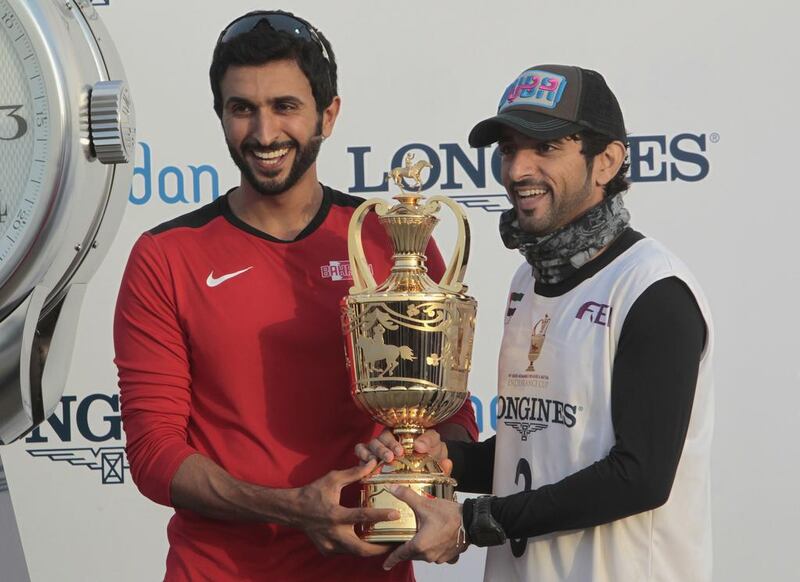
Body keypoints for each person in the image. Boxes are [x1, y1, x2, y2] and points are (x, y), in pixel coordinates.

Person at [113, 11, 477, 582]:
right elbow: (155, 454)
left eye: (285, 106)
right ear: (220, 115)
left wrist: (429, 447)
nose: (263, 134)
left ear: (327, 114)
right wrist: (290, 507)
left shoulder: (395, 243)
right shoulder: (166, 256)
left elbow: (453, 414)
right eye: (242, 109)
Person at [357, 64, 714, 581]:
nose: (517, 169)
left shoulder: (652, 289)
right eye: (508, 149)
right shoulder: (526, 280)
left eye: (545, 148)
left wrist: (470, 522)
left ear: (606, 161)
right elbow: (540, 446)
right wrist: (444, 458)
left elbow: (640, 477)